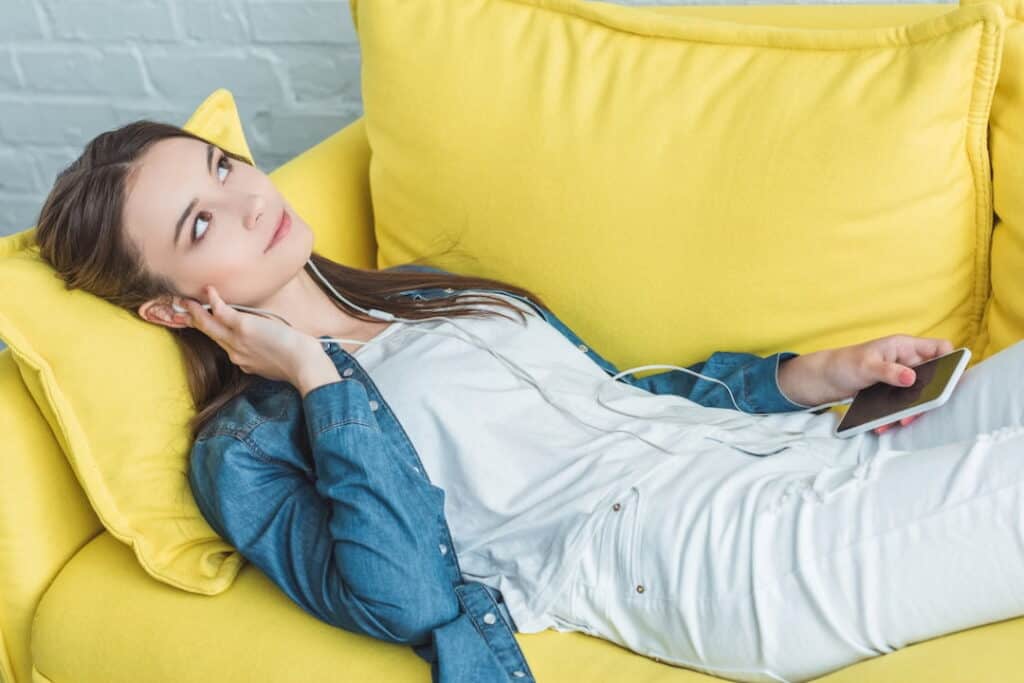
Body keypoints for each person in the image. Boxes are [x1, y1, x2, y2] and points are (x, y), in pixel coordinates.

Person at [31, 119, 1022, 683]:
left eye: (222, 165)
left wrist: (811, 377)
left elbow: (612, 401)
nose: (251, 197)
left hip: (781, 454)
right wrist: (315, 374)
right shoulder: (249, 444)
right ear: (170, 304)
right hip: (704, 556)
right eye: (204, 221)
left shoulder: (413, 293)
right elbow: (403, 594)